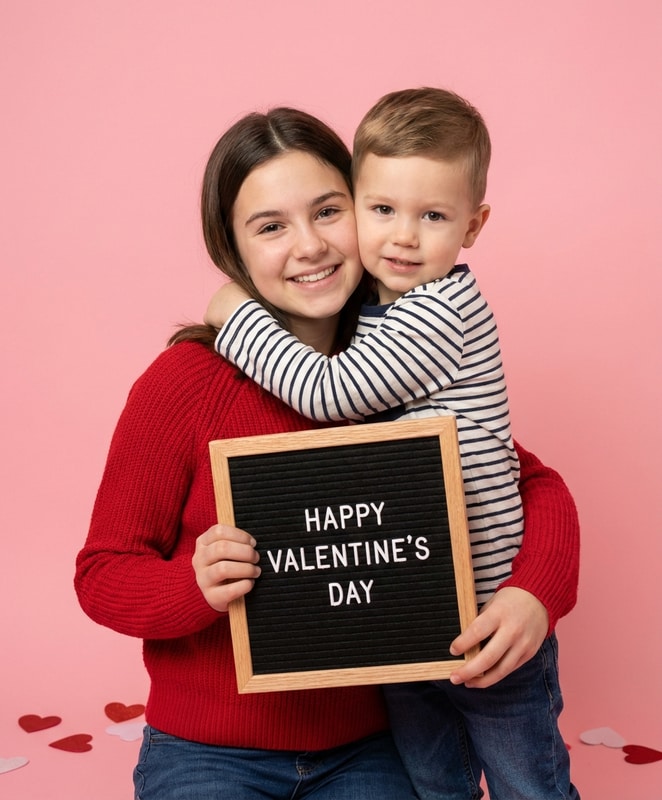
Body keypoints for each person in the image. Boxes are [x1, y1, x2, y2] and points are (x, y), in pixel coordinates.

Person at [75, 105, 579, 800]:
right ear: (232, 248)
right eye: (271, 227)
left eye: (327, 211)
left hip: (369, 745)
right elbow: (102, 572)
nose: (309, 245)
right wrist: (193, 586)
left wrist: (533, 593)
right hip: (210, 751)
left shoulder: (392, 360)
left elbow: (526, 480)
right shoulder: (185, 384)